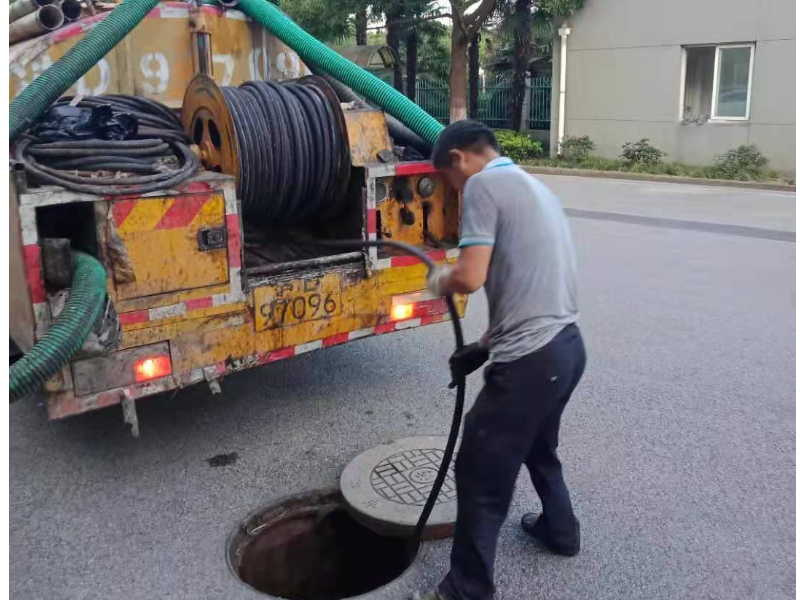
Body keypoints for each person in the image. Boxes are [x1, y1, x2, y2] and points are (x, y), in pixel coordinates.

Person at [413, 121, 587, 600]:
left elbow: (470, 277)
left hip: (532, 361)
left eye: (450, 182)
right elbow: (528, 287)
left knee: (480, 472)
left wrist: (438, 280)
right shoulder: (535, 187)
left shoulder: (485, 185)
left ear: (459, 160)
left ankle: (466, 589)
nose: (455, 191)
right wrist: (483, 345)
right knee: (537, 446)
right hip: (567, 347)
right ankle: (560, 531)